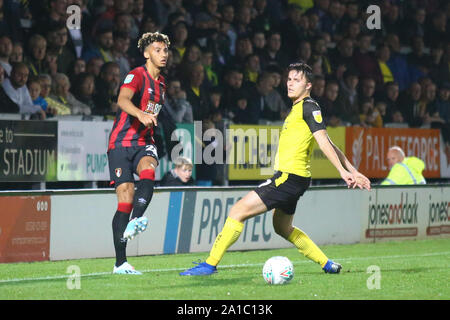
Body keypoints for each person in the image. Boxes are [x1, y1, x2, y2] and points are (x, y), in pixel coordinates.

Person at [180, 62, 371, 277]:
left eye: (296, 80)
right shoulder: (298, 108)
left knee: (237, 211)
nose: (289, 84)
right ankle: (327, 264)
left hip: (289, 178)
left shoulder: (309, 107)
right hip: (295, 179)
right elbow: (327, 140)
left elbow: (325, 144)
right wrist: (352, 169)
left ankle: (209, 265)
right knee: (282, 228)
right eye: (288, 79)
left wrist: (343, 172)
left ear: (308, 85)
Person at [107, 31, 170, 275]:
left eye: (165, 50)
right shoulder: (136, 74)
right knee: (125, 198)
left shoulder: (162, 84)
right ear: (146, 53)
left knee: (148, 168)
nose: (163, 54)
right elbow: (122, 100)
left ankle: (137, 219)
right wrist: (140, 114)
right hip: (121, 142)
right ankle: (120, 263)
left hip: (144, 142)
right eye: (157, 50)